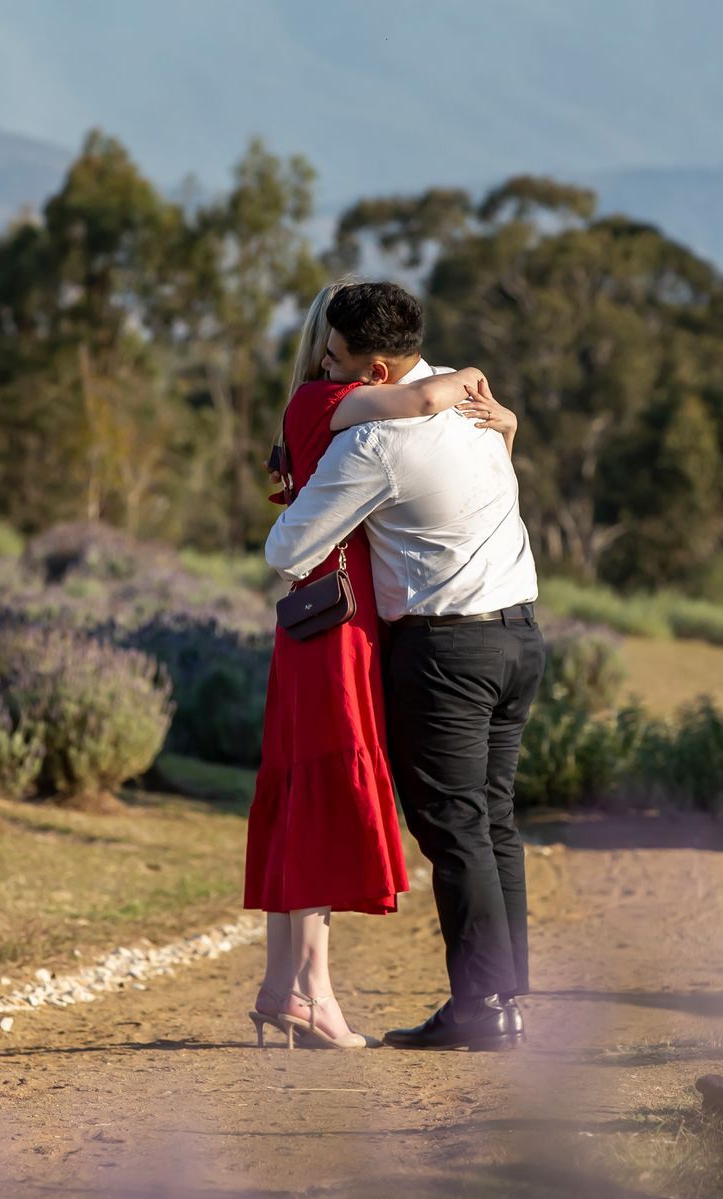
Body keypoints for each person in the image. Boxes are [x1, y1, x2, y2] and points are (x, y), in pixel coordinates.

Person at [265, 281, 545, 1053]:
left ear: (376, 372)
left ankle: (481, 1010)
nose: (327, 370)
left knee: (455, 828)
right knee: (494, 822)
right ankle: (508, 1002)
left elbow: (287, 550)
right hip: (521, 634)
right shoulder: (473, 403)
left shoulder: (374, 444)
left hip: (446, 648)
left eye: (337, 358)